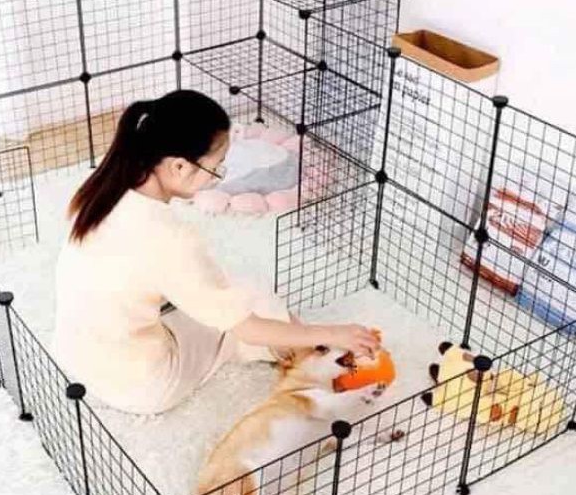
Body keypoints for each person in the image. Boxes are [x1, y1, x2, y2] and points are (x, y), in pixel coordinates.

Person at [50, 89, 380, 415]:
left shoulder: (101, 191)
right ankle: (315, 359)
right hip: (142, 385)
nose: (216, 179)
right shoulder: (170, 239)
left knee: (216, 294)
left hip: (76, 356)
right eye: (215, 168)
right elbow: (246, 327)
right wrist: (333, 332)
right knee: (252, 297)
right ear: (180, 166)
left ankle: (302, 347)